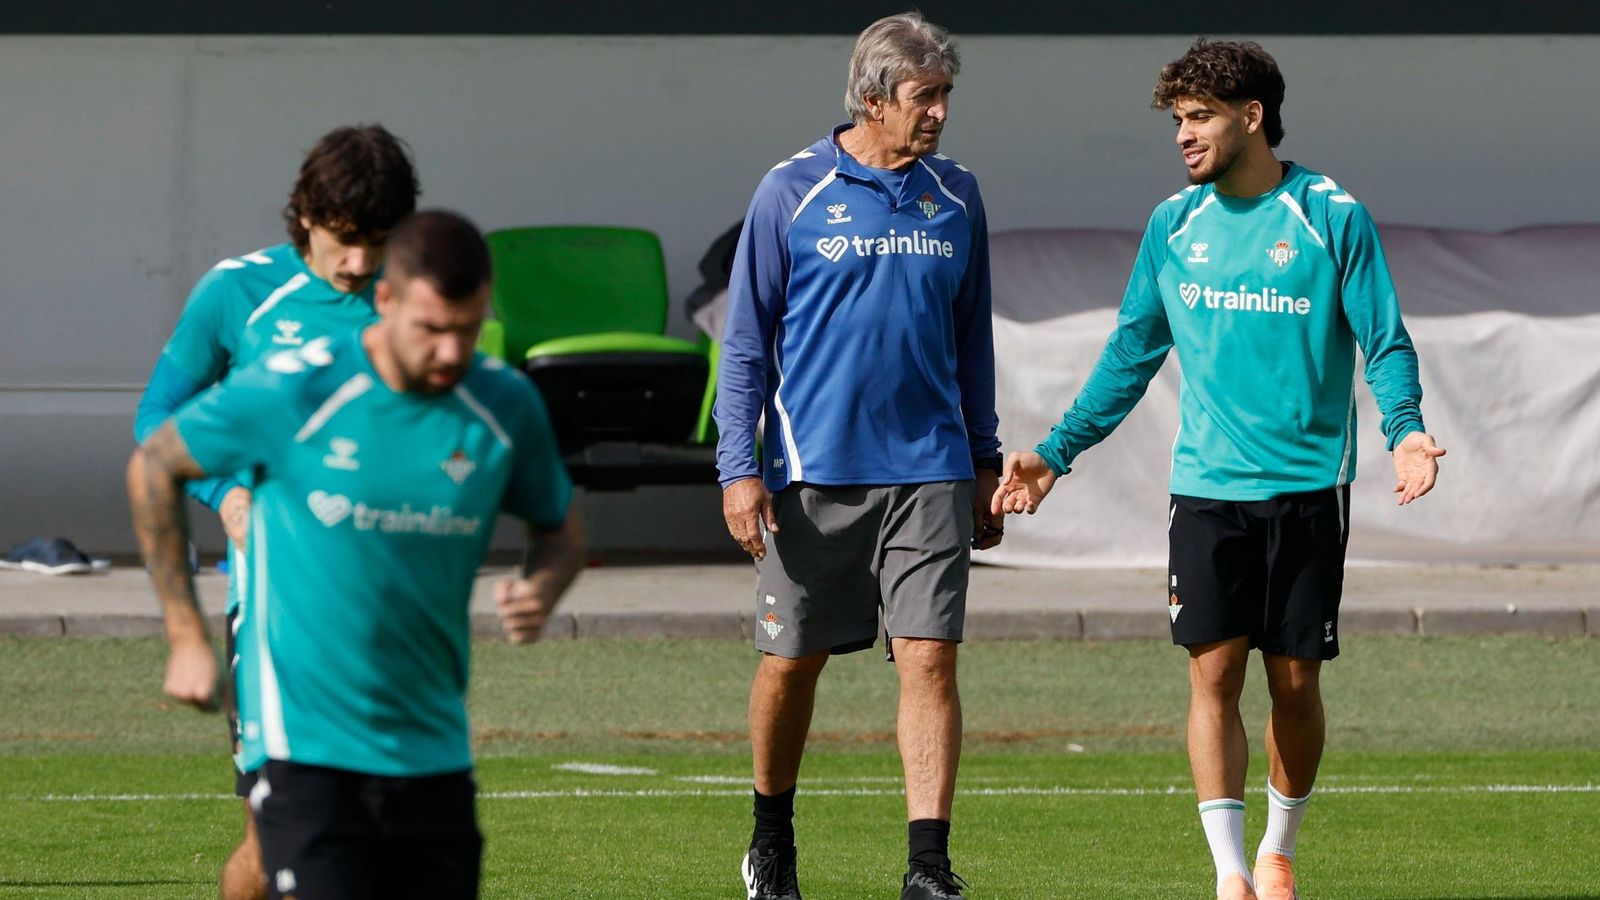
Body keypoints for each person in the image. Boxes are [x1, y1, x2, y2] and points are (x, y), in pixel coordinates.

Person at [992, 39, 1445, 900]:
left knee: (1295, 682)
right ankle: (1233, 873)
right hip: (1205, 490)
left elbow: (1384, 340)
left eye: (1198, 118)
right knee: (1213, 674)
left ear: (1253, 116)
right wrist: (1055, 456)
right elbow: (1130, 355)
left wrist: (1409, 430)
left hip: (1310, 490)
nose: (1183, 137)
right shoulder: (1174, 227)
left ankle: (1281, 844)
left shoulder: (1330, 215)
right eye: (1177, 121)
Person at [127, 210, 585, 899]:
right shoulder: (296, 388)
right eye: (431, 330)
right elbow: (154, 464)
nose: (451, 353)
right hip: (306, 748)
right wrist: (187, 635)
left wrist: (542, 586)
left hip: (433, 751)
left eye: (467, 329)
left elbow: (562, 529)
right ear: (386, 301)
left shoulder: (503, 403)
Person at [715, 12, 1001, 900]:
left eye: (946, 95)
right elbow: (746, 345)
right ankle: (772, 840)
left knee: (929, 659)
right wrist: (738, 467)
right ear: (873, 99)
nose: (940, 113)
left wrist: (985, 458)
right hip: (813, 473)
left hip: (932, 468)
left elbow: (972, 342)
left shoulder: (957, 196)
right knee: (791, 663)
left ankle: (927, 867)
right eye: (925, 97)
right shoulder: (788, 192)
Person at [130, 124, 419, 900]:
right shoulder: (238, 293)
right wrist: (222, 493)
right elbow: (158, 419)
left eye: (379, 240)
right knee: (275, 837)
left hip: (393, 618)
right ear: (305, 215)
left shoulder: (417, 300)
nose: (359, 263)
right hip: (274, 620)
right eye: (345, 239)